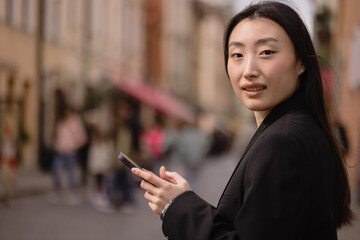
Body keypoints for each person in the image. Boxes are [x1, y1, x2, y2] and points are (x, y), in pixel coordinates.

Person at [131, 2, 354, 239]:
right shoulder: (300, 127)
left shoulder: (282, 141)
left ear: (301, 62)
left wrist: (178, 207)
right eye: (237, 55)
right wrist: (183, 199)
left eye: (266, 52)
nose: (249, 70)